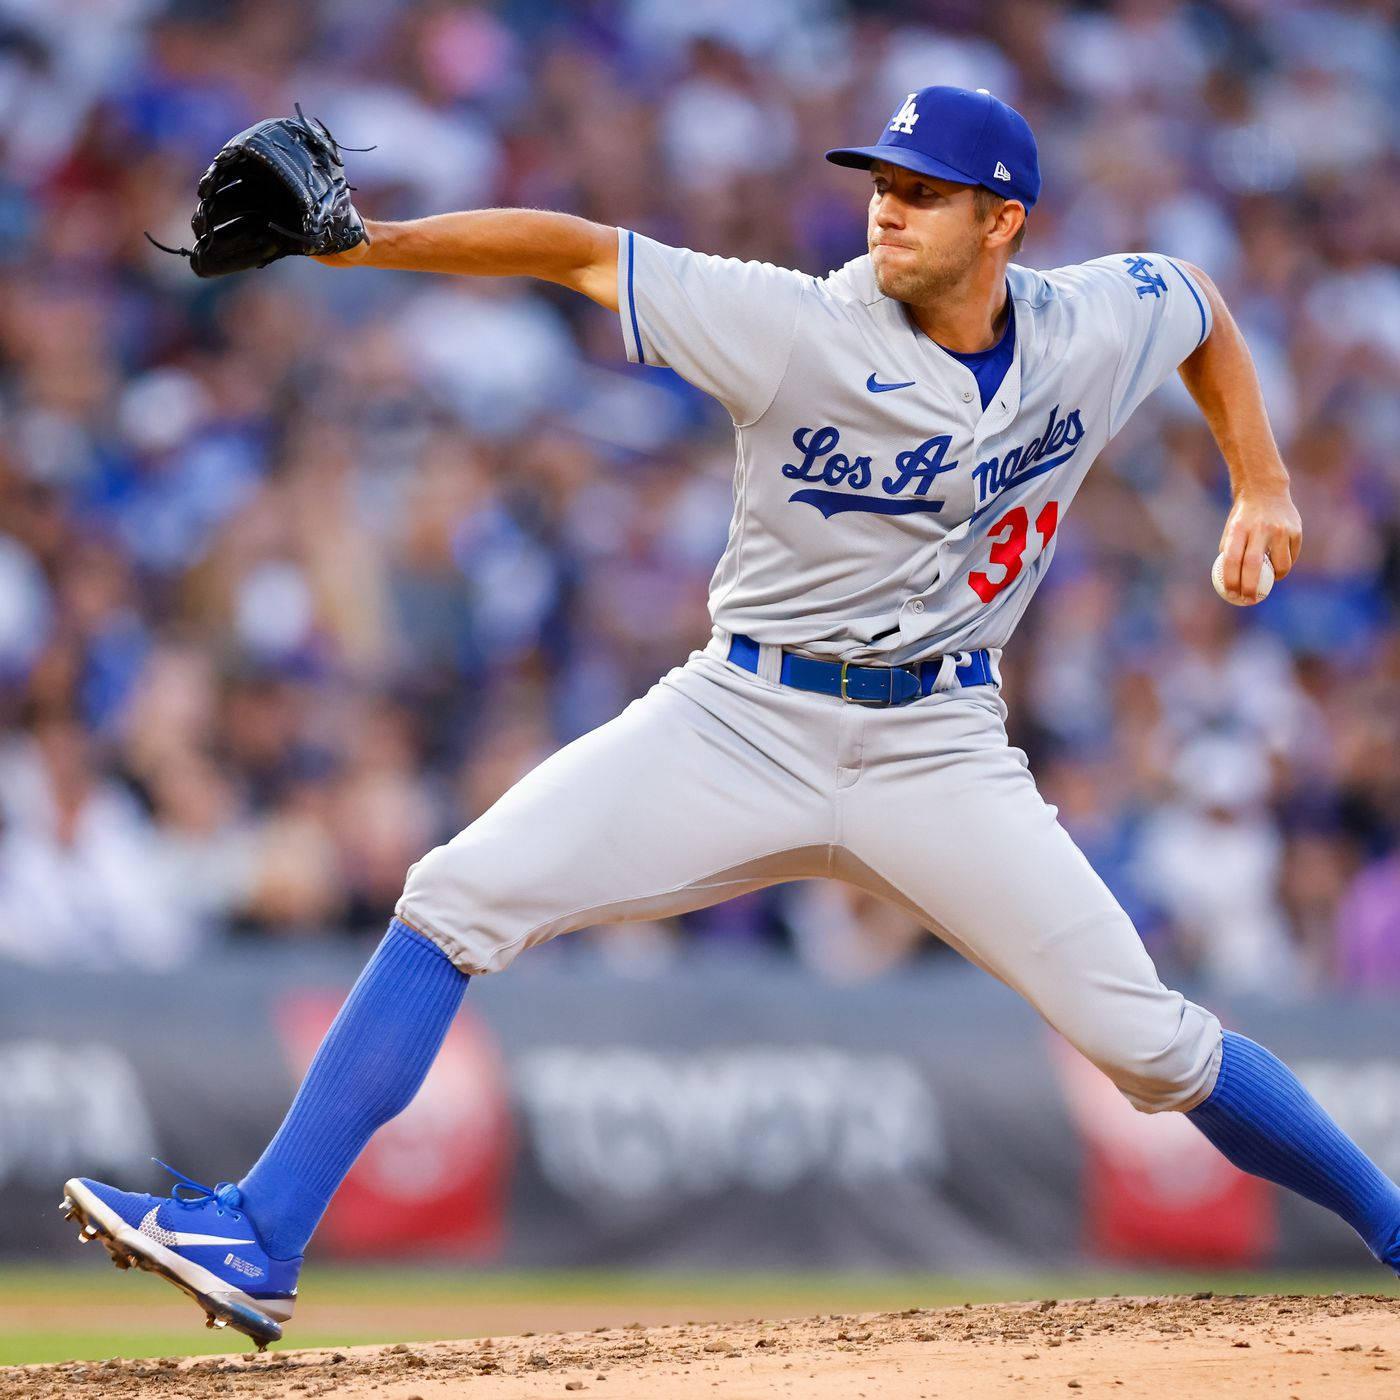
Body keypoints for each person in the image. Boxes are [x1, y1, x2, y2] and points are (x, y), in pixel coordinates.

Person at [62, 86, 1398, 1348]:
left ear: (1005, 225)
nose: (887, 206)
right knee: (457, 893)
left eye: (926, 192)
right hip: (745, 715)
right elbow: (581, 254)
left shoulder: (1093, 323)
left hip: (940, 747)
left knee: (1152, 1047)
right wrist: (370, 247)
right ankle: (258, 1237)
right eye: (882, 180)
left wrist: (1259, 480)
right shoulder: (799, 323)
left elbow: (1205, 306)